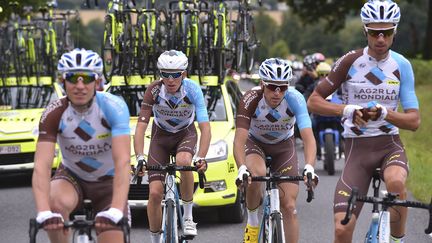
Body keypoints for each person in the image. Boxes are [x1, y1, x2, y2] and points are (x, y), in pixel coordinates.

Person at [307, 1, 420, 242]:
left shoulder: (402, 65)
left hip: (390, 146)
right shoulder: (349, 61)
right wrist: (347, 110)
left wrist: (385, 113)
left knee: (396, 183)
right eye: (374, 32)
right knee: (342, 229)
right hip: (356, 151)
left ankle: (397, 239)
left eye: (387, 32)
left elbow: (414, 121)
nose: (381, 38)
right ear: (364, 31)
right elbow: (314, 102)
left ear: (394, 32)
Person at [32, 48, 131, 243]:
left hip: (108, 182)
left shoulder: (113, 107)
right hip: (71, 178)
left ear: (97, 81)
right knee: (54, 206)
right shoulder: (53, 113)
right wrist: (44, 212)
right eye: (72, 78)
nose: (79, 86)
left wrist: (116, 210)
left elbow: (123, 162)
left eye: (86, 79)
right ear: (63, 81)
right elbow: (41, 165)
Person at [234, 58, 318, 243]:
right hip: (255, 143)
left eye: (283, 87)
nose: (277, 93)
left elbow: (308, 137)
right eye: (272, 86)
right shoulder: (250, 98)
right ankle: (253, 222)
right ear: (262, 83)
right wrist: (241, 168)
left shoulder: (295, 98)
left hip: (284, 147)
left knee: (289, 206)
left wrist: (310, 167)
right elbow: (239, 140)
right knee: (256, 174)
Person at [134, 50, 210, 243]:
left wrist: (201, 156)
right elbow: (140, 129)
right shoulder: (153, 90)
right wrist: (140, 157)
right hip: (160, 137)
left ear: (183, 74)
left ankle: (188, 217)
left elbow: (205, 128)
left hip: (185, 134)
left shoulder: (192, 90)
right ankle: (155, 239)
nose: (170, 79)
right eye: (165, 74)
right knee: (154, 193)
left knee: (184, 161)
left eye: (175, 74)